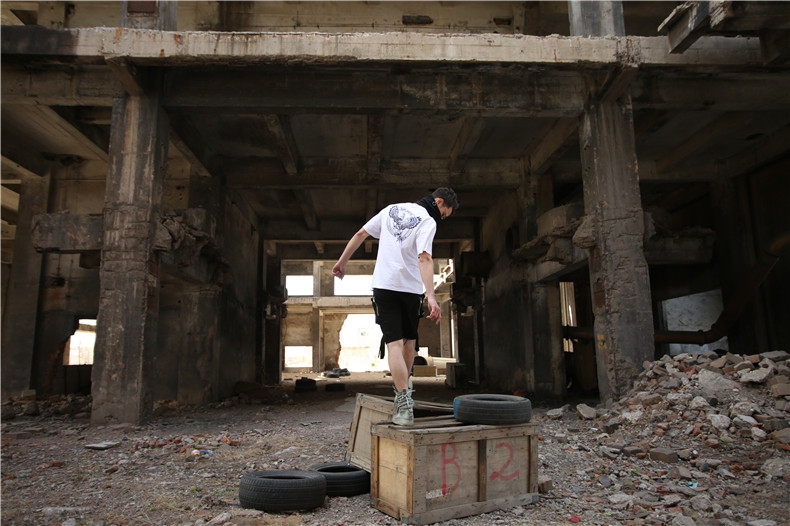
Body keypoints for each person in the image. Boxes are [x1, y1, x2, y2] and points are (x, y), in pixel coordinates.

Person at [332, 188, 459, 425]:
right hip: (410, 290)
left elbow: (361, 233)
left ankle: (403, 401)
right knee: (408, 342)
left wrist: (342, 262)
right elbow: (425, 258)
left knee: (395, 344)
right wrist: (431, 296)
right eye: (444, 214)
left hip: (384, 286)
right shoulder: (428, 221)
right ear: (439, 202)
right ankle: (404, 396)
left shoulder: (391, 210)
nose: (441, 218)